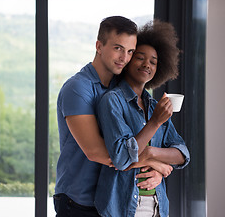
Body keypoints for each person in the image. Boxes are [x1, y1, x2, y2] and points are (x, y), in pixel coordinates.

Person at [94, 20, 190, 217]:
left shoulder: (155, 107)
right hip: (121, 207)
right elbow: (121, 158)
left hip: (157, 206)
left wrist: (153, 156)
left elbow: (182, 154)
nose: (147, 64)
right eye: (140, 57)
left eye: (153, 62)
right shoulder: (112, 101)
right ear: (128, 61)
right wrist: (155, 123)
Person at [53, 16, 138, 216]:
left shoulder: (122, 88)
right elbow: (96, 152)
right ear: (99, 46)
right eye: (118, 48)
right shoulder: (77, 88)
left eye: (130, 51)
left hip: (113, 200)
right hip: (78, 203)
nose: (124, 58)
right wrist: (153, 159)